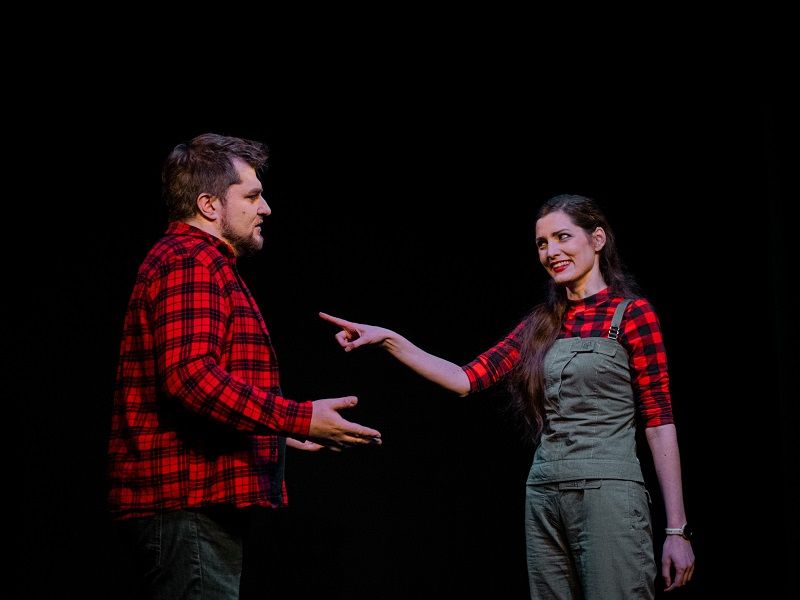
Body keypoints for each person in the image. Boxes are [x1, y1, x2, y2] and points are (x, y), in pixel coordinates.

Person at [320, 193, 695, 599]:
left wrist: (677, 530)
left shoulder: (632, 315)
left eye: (563, 237)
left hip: (608, 494)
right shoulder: (541, 325)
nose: (552, 252)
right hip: (545, 493)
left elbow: (659, 421)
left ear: (597, 239)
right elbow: (465, 379)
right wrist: (389, 340)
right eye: (542, 243)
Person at [107, 132, 382, 600]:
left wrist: (275, 432)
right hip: (186, 501)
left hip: (192, 502)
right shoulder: (191, 262)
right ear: (209, 205)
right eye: (252, 196)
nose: (266, 208)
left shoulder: (199, 262)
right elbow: (190, 379)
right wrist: (298, 417)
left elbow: (203, 381)